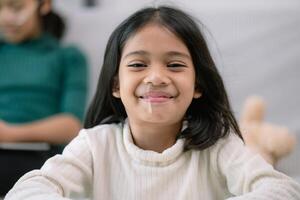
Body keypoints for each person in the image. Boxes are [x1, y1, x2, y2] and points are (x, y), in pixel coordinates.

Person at [5, 6, 300, 200]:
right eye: (137, 65)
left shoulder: (218, 145)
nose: (156, 77)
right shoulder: (95, 145)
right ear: (116, 85)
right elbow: (28, 190)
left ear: (197, 85)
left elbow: (281, 189)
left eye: (174, 65)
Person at [0, 0, 88, 196]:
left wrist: (9, 134)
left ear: (44, 4)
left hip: (41, 157)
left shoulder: (68, 57)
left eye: (16, 7)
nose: (5, 17)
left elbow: (71, 125)